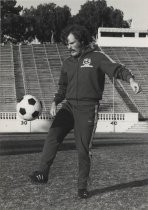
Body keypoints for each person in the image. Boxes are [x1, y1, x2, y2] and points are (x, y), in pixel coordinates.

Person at [30, 24, 141, 199]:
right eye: (67, 44)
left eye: (72, 43)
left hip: (88, 108)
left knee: (82, 149)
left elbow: (116, 69)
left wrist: (131, 80)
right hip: (68, 106)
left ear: (82, 41)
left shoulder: (97, 58)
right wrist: (54, 102)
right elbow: (62, 87)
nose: (69, 47)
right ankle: (42, 173)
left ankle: (82, 187)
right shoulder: (67, 63)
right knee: (53, 136)